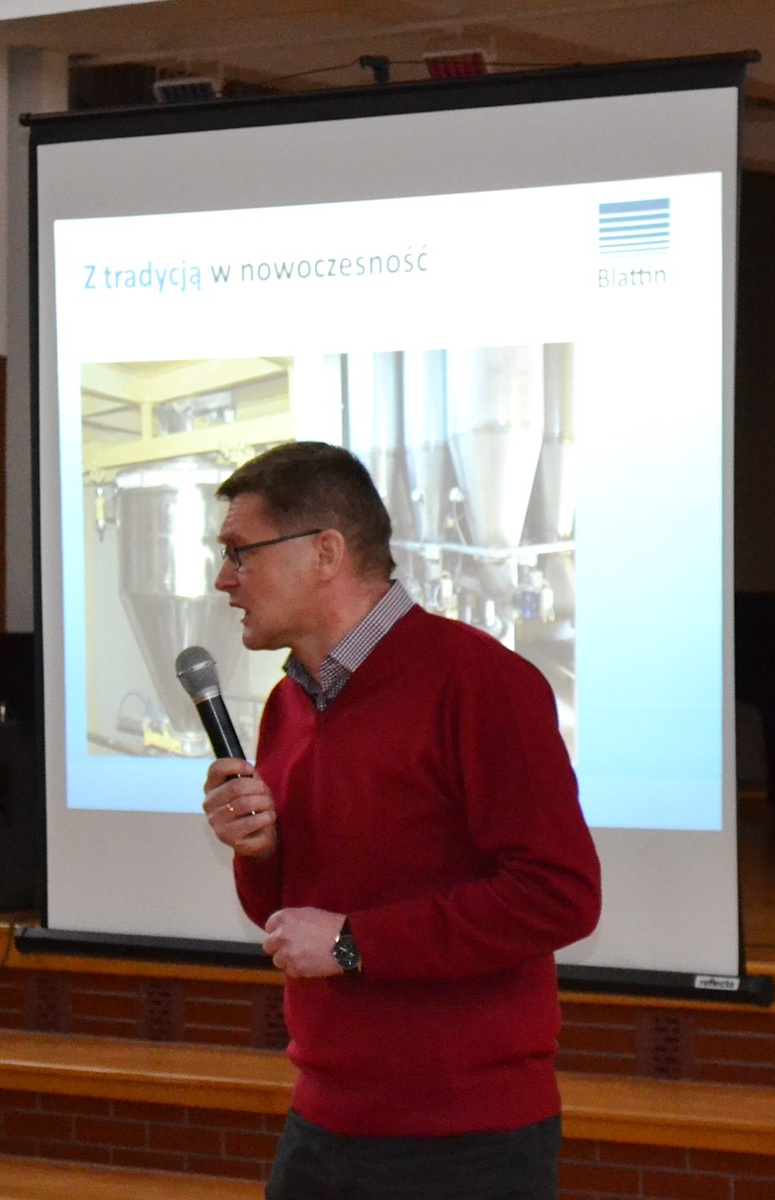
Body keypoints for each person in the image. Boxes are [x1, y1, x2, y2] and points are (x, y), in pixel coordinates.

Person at [203, 440, 601, 1200]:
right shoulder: (288, 704)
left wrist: (355, 942)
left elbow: (561, 894)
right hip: (323, 1119)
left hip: (466, 1140)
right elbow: (286, 917)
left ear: (326, 552)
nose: (224, 579)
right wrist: (260, 849)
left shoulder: (480, 682)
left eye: (240, 553)